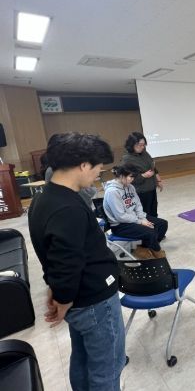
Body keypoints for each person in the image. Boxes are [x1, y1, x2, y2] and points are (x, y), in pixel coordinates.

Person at [28, 132, 125, 390]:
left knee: (82, 359)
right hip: (94, 301)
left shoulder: (44, 198)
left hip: (80, 301)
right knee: (107, 369)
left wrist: (57, 290)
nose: (98, 175)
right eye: (97, 168)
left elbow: (53, 254)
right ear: (83, 165)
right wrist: (63, 298)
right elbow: (66, 262)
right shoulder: (67, 207)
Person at [103, 164, 168, 260]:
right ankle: (156, 252)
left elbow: (137, 204)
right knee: (150, 232)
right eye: (130, 177)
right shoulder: (112, 192)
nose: (132, 180)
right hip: (120, 225)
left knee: (162, 224)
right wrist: (140, 221)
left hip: (134, 218)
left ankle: (144, 247)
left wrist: (142, 218)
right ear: (121, 175)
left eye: (133, 177)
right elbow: (120, 216)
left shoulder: (130, 187)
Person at [122, 132, 163, 217]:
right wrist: (144, 175)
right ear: (132, 144)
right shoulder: (127, 159)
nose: (142, 147)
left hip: (151, 188)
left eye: (144, 145)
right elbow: (128, 178)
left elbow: (153, 167)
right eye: (140, 145)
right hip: (141, 192)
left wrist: (158, 180)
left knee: (154, 213)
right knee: (145, 215)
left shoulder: (144, 153)